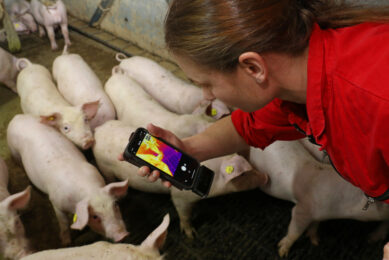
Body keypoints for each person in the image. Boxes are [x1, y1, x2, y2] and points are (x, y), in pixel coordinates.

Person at [124, 0, 389, 207]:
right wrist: (187, 149)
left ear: (253, 67)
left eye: (206, 83)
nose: (207, 96)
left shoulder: (376, 101)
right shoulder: (295, 84)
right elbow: (247, 126)